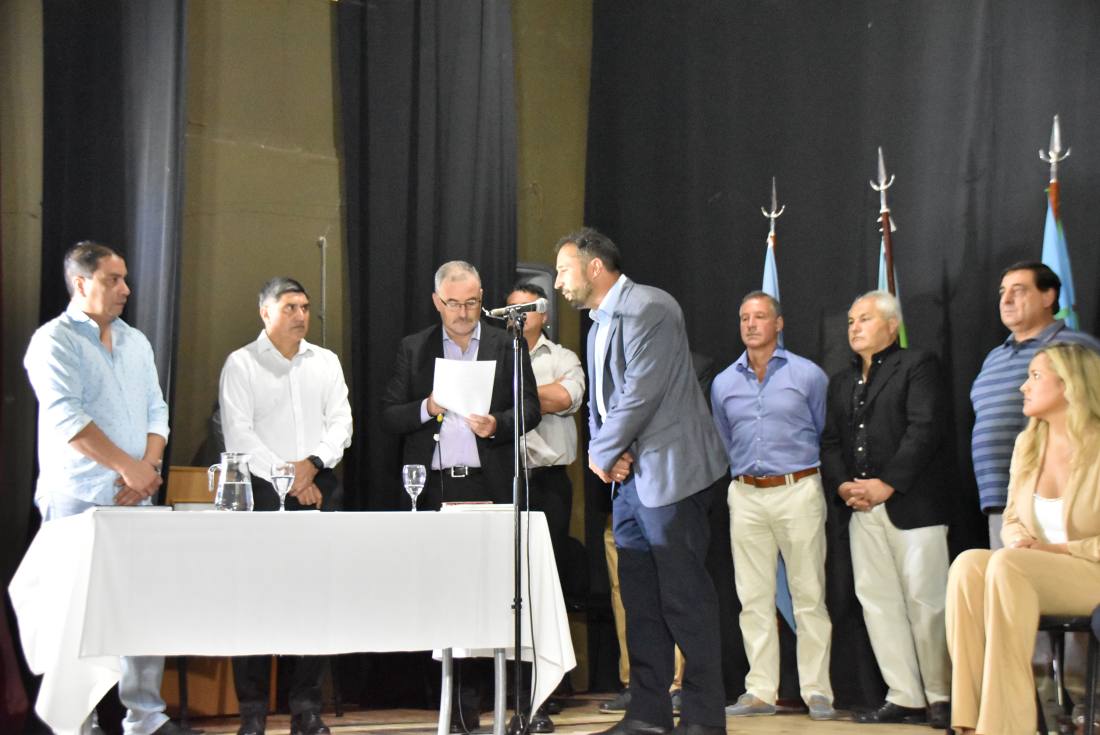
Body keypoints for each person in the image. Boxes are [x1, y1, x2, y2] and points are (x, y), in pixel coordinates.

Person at [554, 228, 728, 735]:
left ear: (593, 267)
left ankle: (703, 718)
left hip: (673, 476)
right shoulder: (596, 328)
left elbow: (640, 392)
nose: (558, 282)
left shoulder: (651, 307)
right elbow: (602, 406)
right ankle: (648, 715)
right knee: (641, 603)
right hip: (629, 483)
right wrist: (611, 455)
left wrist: (601, 453)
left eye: (563, 270)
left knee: (685, 600)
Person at [23, 241, 188, 735]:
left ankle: (146, 718)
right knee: (76, 613)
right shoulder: (53, 341)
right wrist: (127, 468)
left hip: (137, 494)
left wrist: (147, 466)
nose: (126, 289)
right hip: (77, 494)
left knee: (144, 606)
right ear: (81, 283)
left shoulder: (136, 341)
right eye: (113, 279)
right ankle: (79, 721)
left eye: (125, 279)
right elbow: (67, 419)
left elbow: (157, 409)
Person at [381, 260, 540, 731]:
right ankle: (459, 705)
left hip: (487, 483)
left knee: (495, 592)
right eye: (454, 304)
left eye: (472, 302)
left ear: (481, 298)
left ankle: (512, 700)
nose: (464, 312)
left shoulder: (506, 344)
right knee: (445, 594)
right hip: (434, 486)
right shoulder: (415, 349)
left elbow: (530, 406)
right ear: (437, 302)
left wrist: (498, 425)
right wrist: (428, 406)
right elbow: (389, 415)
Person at [219, 277, 353, 735]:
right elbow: (239, 435)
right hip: (260, 494)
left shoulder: (325, 362)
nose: (300, 315)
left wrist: (311, 466)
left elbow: (342, 424)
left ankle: (306, 708)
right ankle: (253, 711)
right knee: (254, 599)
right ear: (265, 312)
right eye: (290, 307)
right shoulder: (241, 364)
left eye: (305, 307)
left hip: (319, 486)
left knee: (315, 599)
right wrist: (290, 479)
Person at [948, 343, 1100, 735]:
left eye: (1035, 376)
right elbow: (1013, 518)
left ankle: (1004, 726)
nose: (1023, 387)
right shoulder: (1028, 444)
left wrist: (1055, 550)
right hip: (1037, 570)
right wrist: (1020, 541)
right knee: (969, 564)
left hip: (1091, 571)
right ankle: (969, 720)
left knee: (1007, 563)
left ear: (1069, 384)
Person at [820, 290, 951, 728]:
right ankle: (904, 695)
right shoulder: (841, 382)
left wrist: (887, 483)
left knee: (927, 601)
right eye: (851, 321)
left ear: (892, 326)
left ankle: (941, 695)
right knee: (877, 603)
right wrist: (843, 485)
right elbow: (831, 441)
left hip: (913, 505)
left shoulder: (917, 365)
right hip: (860, 509)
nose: (854, 327)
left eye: (865, 319)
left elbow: (924, 428)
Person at [711, 292, 835, 721]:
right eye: (744, 317)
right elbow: (725, 439)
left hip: (798, 488)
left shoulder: (808, 375)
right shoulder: (723, 383)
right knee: (752, 597)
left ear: (778, 324)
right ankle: (760, 690)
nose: (751, 324)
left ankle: (817, 690)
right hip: (746, 493)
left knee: (809, 594)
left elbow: (823, 429)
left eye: (760, 316)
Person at [970, 262, 1100, 548]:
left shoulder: (1073, 349)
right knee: (1000, 568)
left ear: (1047, 296)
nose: (1006, 299)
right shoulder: (994, 357)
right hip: (1004, 499)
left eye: (1018, 290)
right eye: (1003, 292)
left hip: (1068, 497)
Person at [503, 281, 585, 733]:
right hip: (504, 481)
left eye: (527, 309)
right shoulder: (496, 353)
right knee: (509, 585)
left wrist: (516, 388)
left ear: (545, 315)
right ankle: (512, 686)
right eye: (511, 309)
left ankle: (546, 686)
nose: (517, 316)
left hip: (549, 482)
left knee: (544, 583)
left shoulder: (563, 357)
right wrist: (537, 394)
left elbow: (565, 398)